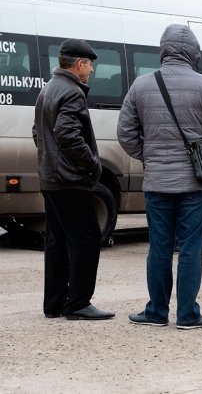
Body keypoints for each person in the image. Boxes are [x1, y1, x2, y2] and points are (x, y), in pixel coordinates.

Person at [117, 24, 202, 330]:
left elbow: (125, 133)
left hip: (156, 183)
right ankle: (187, 315)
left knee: (159, 247)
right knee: (191, 248)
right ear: (193, 52)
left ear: (163, 50)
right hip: (194, 183)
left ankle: (156, 312)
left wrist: (148, 156)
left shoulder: (141, 86)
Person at [32, 39, 115, 321]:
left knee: (57, 239)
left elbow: (38, 132)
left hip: (51, 178)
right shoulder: (72, 92)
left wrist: (49, 157)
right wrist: (91, 165)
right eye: (90, 64)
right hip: (70, 180)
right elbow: (67, 134)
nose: (91, 70)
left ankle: (53, 303)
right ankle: (78, 302)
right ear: (79, 64)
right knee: (87, 238)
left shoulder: (48, 89)